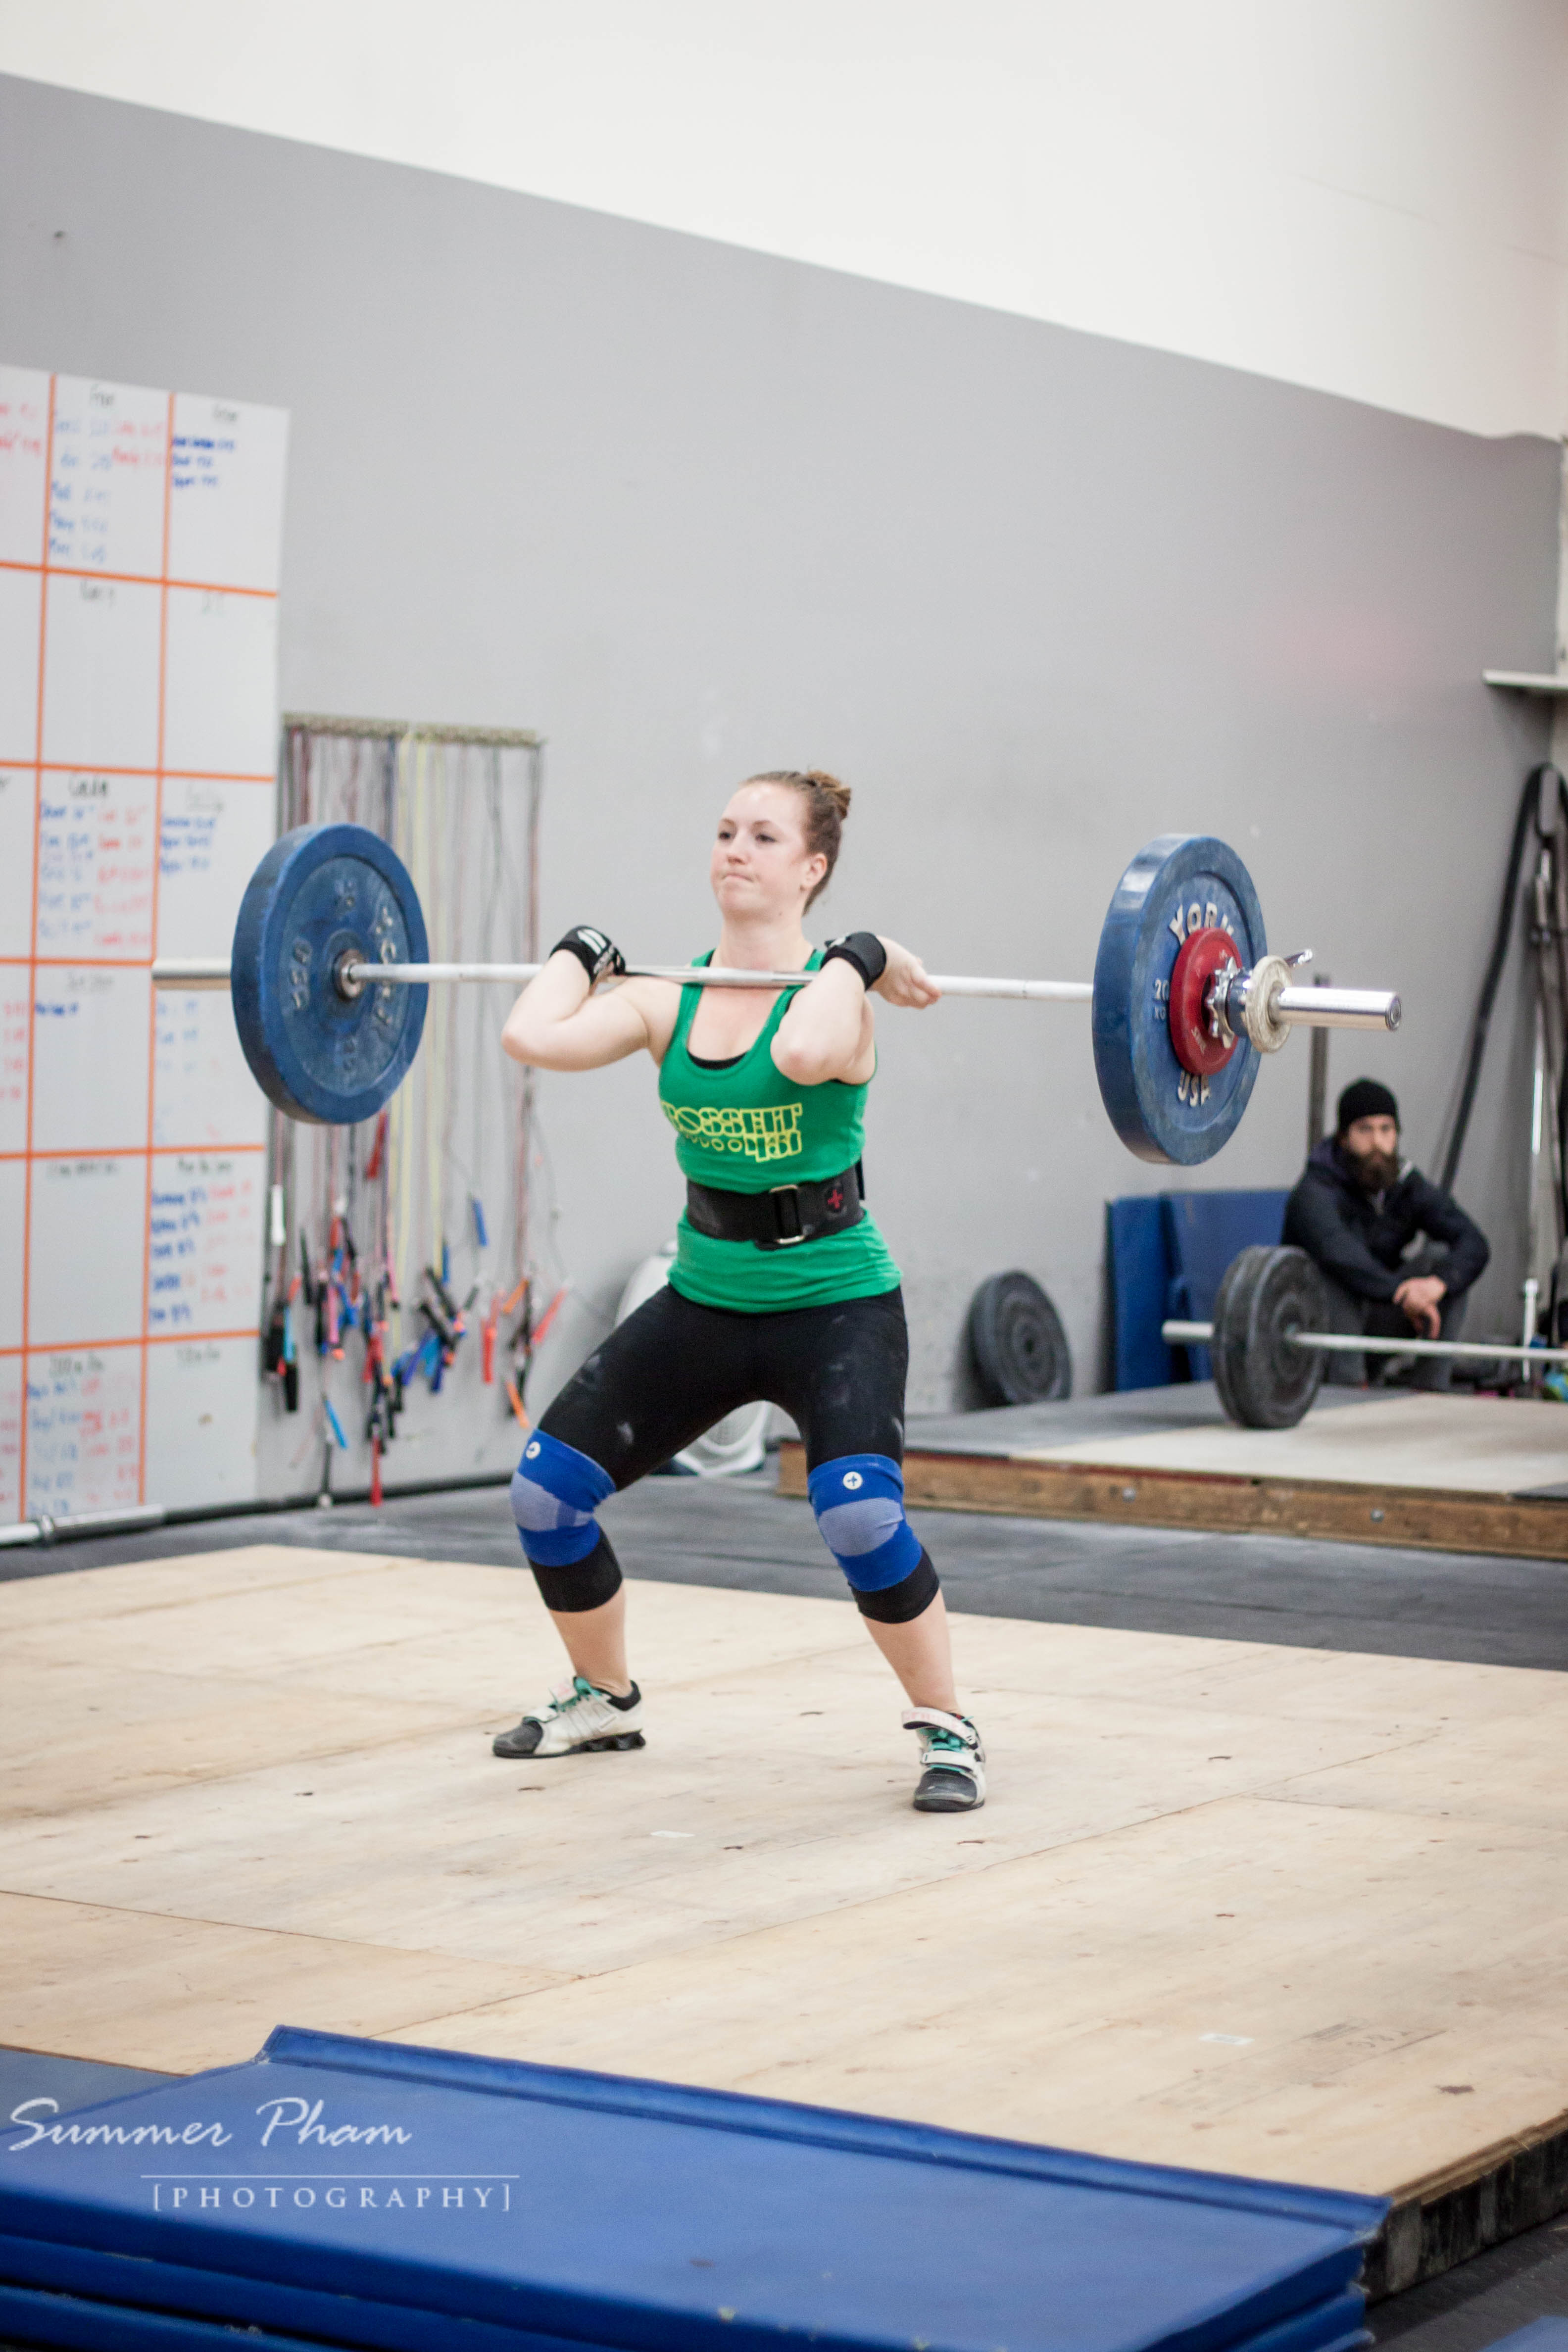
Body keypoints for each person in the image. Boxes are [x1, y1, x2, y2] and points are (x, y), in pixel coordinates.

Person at [490, 769, 985, 1813]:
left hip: (836, 1302)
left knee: (858, 1517)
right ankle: (604, 1695)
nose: (734, 850)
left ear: (812, 867)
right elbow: (531, 1036)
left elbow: (801, 1051)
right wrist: (579, 951)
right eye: (724, 831)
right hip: (707, 1299)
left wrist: (859, 954)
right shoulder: (665, 997)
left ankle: (948, 1726)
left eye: (763, 836)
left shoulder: (834, 1000)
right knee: (545, 1494)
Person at [1283, 1078, 1489, 1388]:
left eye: (1386, 1129)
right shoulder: (1314, 1191)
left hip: (1379, 1315)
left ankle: (1431, 1391)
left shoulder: (1405, 1185)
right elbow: (1340, 1255)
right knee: (1327, 1273)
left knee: (1443, 1261)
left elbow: (1474, 1242)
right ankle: (1349, 1389)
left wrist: (1436, 1285)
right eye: (1365, 1130)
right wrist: (1402, 1293)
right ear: (1344, 1138)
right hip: (1315, 1335)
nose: (1377, 1142)